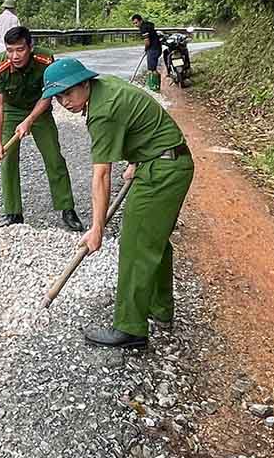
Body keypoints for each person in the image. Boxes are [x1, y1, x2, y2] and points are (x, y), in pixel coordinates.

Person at [40, 58, 194, 348]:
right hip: (165, 159)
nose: (65, 102)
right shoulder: (105, 88)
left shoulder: (102, 112)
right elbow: (141, 121)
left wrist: (97, 229)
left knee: (136, 243)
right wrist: (140, 157)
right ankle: (159, 310)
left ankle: (130, 328)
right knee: (153, 240)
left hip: (162, 170)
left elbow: (101, 176)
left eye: (68, 93)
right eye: (58, 97)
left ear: (85, 82)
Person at [0, 26, 83, 231]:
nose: (15, 55)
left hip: (39, 109)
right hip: (12, 110)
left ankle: (67, 208)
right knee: (7, 159)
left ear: (30, 47)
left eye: (20, 49)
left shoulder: (45, 60)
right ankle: (13, 213)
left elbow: (48, 95)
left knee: (54, 158)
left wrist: (30, 120)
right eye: (10, 50)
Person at [131, 14, 162, 92]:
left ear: (141, 20)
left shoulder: (144, 28)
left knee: (151, 69)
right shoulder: (148, 25)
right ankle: (154, 84)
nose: (135, 25)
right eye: (134, 23)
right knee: (152, 68)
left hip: (153, 49)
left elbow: (147, 42)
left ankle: (154, 86)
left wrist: (146, 49)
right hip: (157, 48)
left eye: (136, 22)